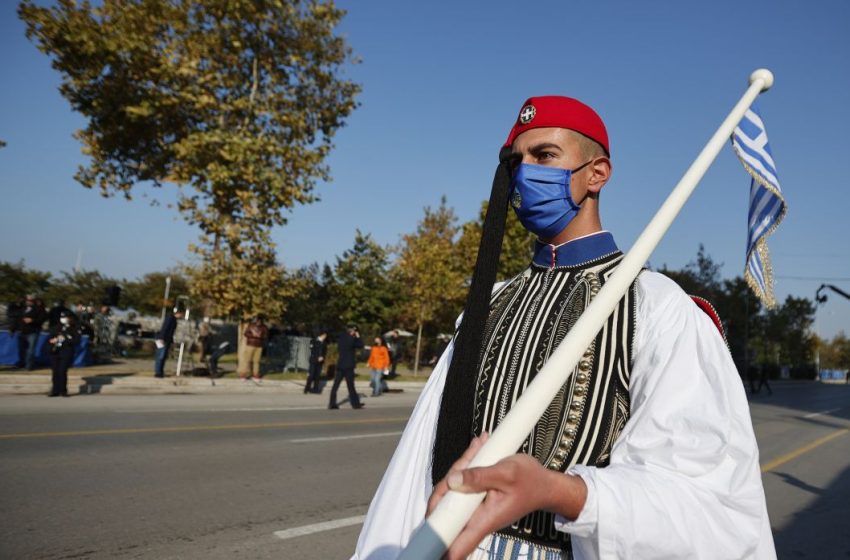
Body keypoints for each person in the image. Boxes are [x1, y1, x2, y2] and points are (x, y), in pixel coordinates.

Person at [353, 96, 775, 559]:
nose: (526, 173)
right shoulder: (486, 305)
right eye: (518, 161)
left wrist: (564, 492)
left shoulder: (657, 307)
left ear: (597, 173)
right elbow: (414, 469)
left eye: (546, 156)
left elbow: (705, 497)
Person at [329, 324, 364, 410]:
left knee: (335, 385)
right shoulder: (352, 339)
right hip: (349, 365)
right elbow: (361, 345)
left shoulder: (341, 337)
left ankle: (332, 403)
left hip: (341, 364)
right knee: (351, 386)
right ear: (352, 331)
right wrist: (358, 337)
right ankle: (355, 404)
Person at [47, 310, 80, 397]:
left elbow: (76, 340)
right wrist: (52, 340)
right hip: (55, 351)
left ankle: (63, 390)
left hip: (66, 351)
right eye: (62, 317)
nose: (64, 319)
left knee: (62, 371)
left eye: (66, 317)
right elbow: (50, 338)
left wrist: (65, 338)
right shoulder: (56, 327)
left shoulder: (74, 328)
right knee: (55, 371)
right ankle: (55, 390)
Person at [17, 295, 46, 370]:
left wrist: (33, 320)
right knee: (22, 349)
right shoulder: (23, 308)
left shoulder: (39, 309)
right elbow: (17, 318)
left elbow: (42, 319)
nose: (28, 302)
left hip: (33, 331)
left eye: (30, 300)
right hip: (22, 331)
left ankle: (28, 366)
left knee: (30, 350)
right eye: (27, 300)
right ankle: (22, 363)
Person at [154, 307, 183, 378]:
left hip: (167, 339)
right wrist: (162, 338)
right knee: (161, 356)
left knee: (163, 356)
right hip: (163, 339)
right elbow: (165, 328)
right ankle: (158, 372)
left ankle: (160, 371)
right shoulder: (170, 318)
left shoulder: (174, 319)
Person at [239, 315, 268, 383]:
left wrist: (261, 336)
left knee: (256, 361)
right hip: (250, 345)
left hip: (259, 346)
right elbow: (246, 334)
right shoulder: (251, 326)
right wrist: (253, 335)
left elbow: (266, 335)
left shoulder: (264, 327)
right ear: (255, 320)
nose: (259, 322)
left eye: (260, 320)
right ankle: (243, 375)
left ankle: (256, 375)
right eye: (257, 320)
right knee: (247, 360)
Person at [305, 329, 328, 394]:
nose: (325, 337)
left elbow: (324, 352)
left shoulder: (324, 343)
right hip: (313, 360)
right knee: (311, 375)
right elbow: (312, 350)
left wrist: (322, 357)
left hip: (320, 361)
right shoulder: (313, 341)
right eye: (325, 336)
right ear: (322, 335)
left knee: (317, 376)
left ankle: (316, 389)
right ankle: (307, 388)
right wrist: (317, 357)